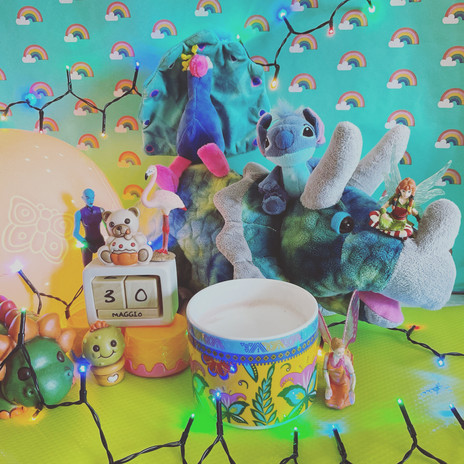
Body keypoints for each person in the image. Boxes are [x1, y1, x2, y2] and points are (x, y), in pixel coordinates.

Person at [73, 189, 105, 266]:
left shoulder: (101, 210)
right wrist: (86, 243)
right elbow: (75, 233)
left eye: (92, 197)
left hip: (100, 241)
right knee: (87, 267)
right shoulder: (79, 213)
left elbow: (108, 227)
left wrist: (112, 239)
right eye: (87, 197)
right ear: (83, 198)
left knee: (105, 263)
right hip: (87, 242)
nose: (91, 200)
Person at [323, 337, 356, 409]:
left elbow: (352, 374)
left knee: (340, 404)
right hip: (332, 383)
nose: (341, 354)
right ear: (332, 350)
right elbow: (325, 371)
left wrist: (351, 389)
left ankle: (345, 394)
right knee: (328, 401)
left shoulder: (345, 359)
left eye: (342, 352)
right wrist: (328, 386)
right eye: (338, 353)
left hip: (343, 384)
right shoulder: (327, 356)